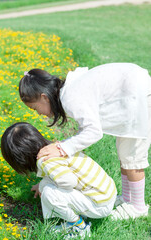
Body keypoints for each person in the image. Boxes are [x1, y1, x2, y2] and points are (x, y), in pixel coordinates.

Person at [19, 63, 151, 219]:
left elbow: (93, 132)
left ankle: (138, 207)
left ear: (44, 97)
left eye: (35, 108)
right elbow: (87, 128)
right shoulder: (68, 91)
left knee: (132, 157)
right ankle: (128, 199)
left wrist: (63, 148)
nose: (39, 114)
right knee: (125, 153)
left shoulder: (70, 98)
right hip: (132, 91)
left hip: (138, 95)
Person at [1, 122, 117, 239]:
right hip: (107, 195)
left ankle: (79, 227)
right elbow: (61, 174)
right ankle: (78, 212)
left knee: (49, 193)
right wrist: (42, 183)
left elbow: (70, 182)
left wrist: (44, 186)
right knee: (48, 186)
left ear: (20, 159)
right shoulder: (57, 148)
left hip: (100, 206)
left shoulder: (45, 161)